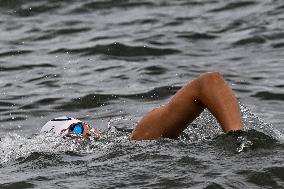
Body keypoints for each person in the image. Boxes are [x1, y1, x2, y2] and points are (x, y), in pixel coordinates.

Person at [41, 72, 243, 140]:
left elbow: (208, 82)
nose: (84, 134)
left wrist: (237, 139)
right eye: (73, 133)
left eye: (79, 127)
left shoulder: (140, 137)